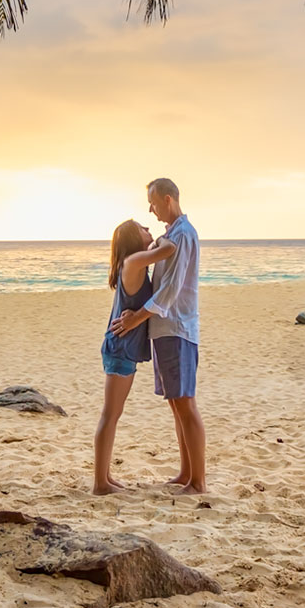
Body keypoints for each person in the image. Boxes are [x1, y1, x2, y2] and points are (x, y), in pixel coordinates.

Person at [108, 177, 205, 494]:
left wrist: (136, 318)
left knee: (185, 404)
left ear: (167, 199)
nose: (150, 210)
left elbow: (170, 292)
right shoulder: (169, 236)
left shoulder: (183, 235)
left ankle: (198, 482)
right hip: (164, 331)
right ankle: (185, 473)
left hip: (177, 329)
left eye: (152, 202)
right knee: (176, 405)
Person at [93, 219, 156, 495]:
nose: (150, 230)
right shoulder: (133, 262)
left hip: (122, 348)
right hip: (120, 349)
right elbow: (168, 250)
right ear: (134, 238)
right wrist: (169, 236)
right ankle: (100, 483)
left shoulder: (131, 263)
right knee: (110, 415)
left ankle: (105, 477)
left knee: (113, 414)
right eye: (144, 228)